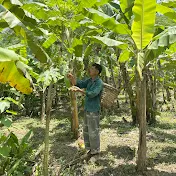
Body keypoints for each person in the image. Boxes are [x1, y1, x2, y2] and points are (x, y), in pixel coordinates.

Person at [68, 63, 103, 156]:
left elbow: (93, 93)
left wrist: (79, 91)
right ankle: (89, 148)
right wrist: (72, 78)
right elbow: (79, 83)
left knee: (93, 130)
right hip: (87, 108)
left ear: (97, 71)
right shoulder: (90, 80)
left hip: (94, 109)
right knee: (87, 129)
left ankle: (95, 150)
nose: (89, 70)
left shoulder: (99, 82)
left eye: (92, 69)